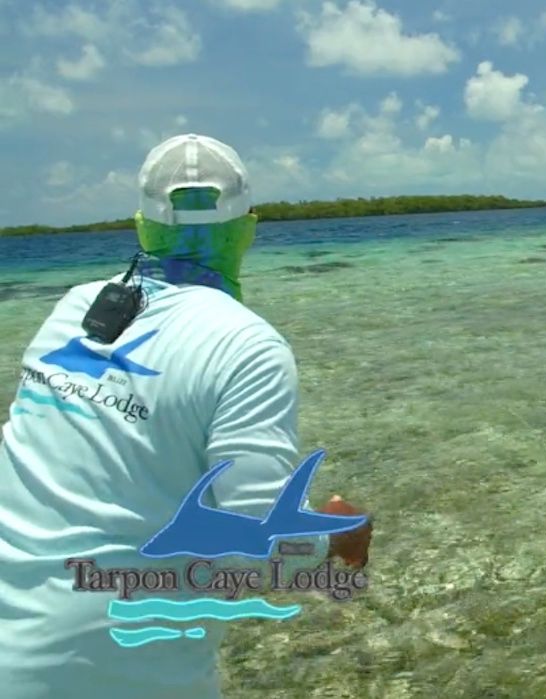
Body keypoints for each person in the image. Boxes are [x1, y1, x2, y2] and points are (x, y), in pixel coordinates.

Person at [0, 133, 372, 698]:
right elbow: (259, 550)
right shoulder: (246, 346)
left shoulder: (74, 308)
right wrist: (340, 535)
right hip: (117, 674)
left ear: (142, 227)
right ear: (247, 227)